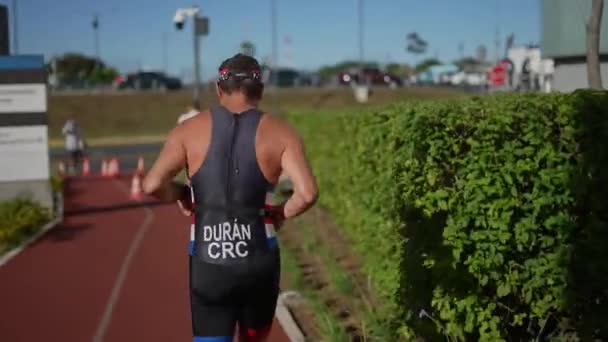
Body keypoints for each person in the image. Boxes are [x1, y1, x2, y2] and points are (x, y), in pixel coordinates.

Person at [142, 53, 319, 341]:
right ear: (259, 90)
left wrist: (183, 192)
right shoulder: (282, 132)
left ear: (218, 88)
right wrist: (280, 213)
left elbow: (152, 185)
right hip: (259, 259)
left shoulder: (187, 130)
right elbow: (308, 193)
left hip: (207, 261)